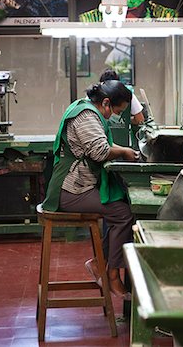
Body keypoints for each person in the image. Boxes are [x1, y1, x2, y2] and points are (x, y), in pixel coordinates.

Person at [42, 80, 140, 299]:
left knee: (121, 208)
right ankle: (111, 275)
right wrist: (124, 151)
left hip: (78, 187)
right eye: (116, 111)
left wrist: (124, 150)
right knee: (123, 214)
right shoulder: (86, 116)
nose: (114, 116)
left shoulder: (86, 108)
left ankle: (100, 263)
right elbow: (99, 151)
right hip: (70, 191)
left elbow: (99, 146)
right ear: (105, 102)